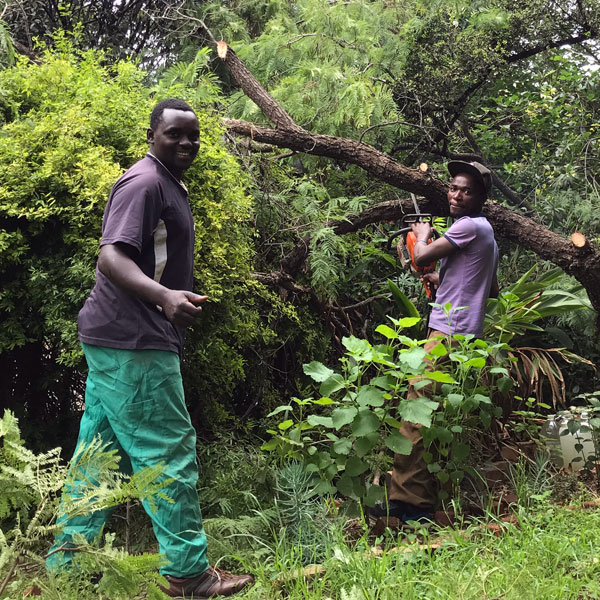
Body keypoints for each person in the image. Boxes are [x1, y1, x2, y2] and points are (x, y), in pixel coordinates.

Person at [46, 98, 253, 599]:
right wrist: (164, 297)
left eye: (193, 136)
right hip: (134, 342)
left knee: (95, 458)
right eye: (174, 135)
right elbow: (111, 257)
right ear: (151, 136)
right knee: (168, 452)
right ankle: (188, 575)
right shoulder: (144, 184)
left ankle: (66, 571)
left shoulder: (165, 183)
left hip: (116, 339)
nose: (186, 143)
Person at [372, 160, 499, 522]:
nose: (457, 195)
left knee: (415, 412)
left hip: (446, 334)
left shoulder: (467, 225)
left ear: (480, 197)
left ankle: (409, 503)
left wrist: (424, 233)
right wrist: (442, 281)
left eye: (466, 190)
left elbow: (420, 254)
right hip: (464, 335)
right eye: (453, 187)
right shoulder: (486, 232)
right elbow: (490, 288)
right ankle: (424, 495)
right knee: (434, 414)